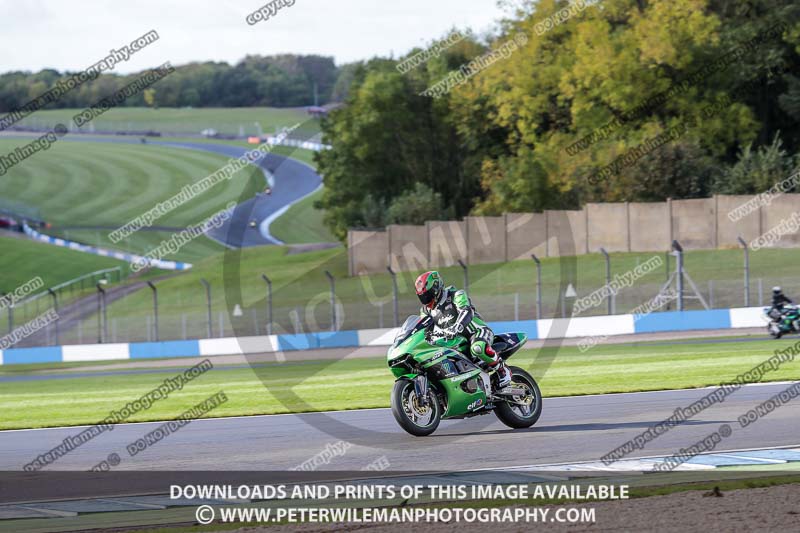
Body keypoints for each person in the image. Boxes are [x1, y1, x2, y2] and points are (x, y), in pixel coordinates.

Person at [414, 270, 511, 387]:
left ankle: (503, 370)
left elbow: (466, 311)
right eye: (422, 297)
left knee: (478, 348)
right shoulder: (425, 311)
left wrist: (457, 327)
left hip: (476, 331)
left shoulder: (455, 294)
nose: (426, 300)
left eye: (427, 295)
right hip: (453, 341)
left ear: (436, 289)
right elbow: (424, 329)